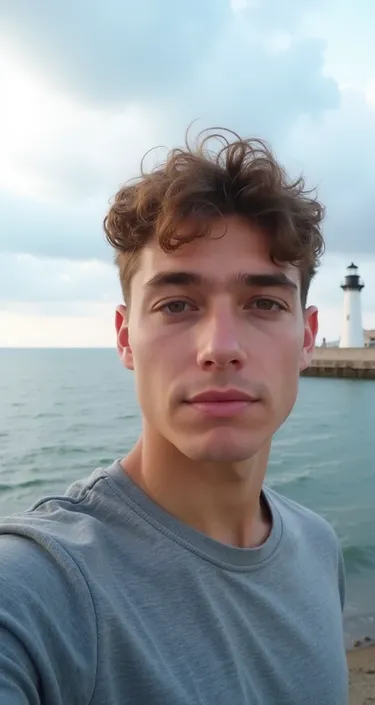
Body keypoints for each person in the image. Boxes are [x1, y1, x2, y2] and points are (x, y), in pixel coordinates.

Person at [0, 128, 348, 704]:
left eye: (264, 303)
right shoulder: (42, 591)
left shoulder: (318, 548)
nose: (221, 346)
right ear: (125, 337)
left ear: (307, 338)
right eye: (177, 304)